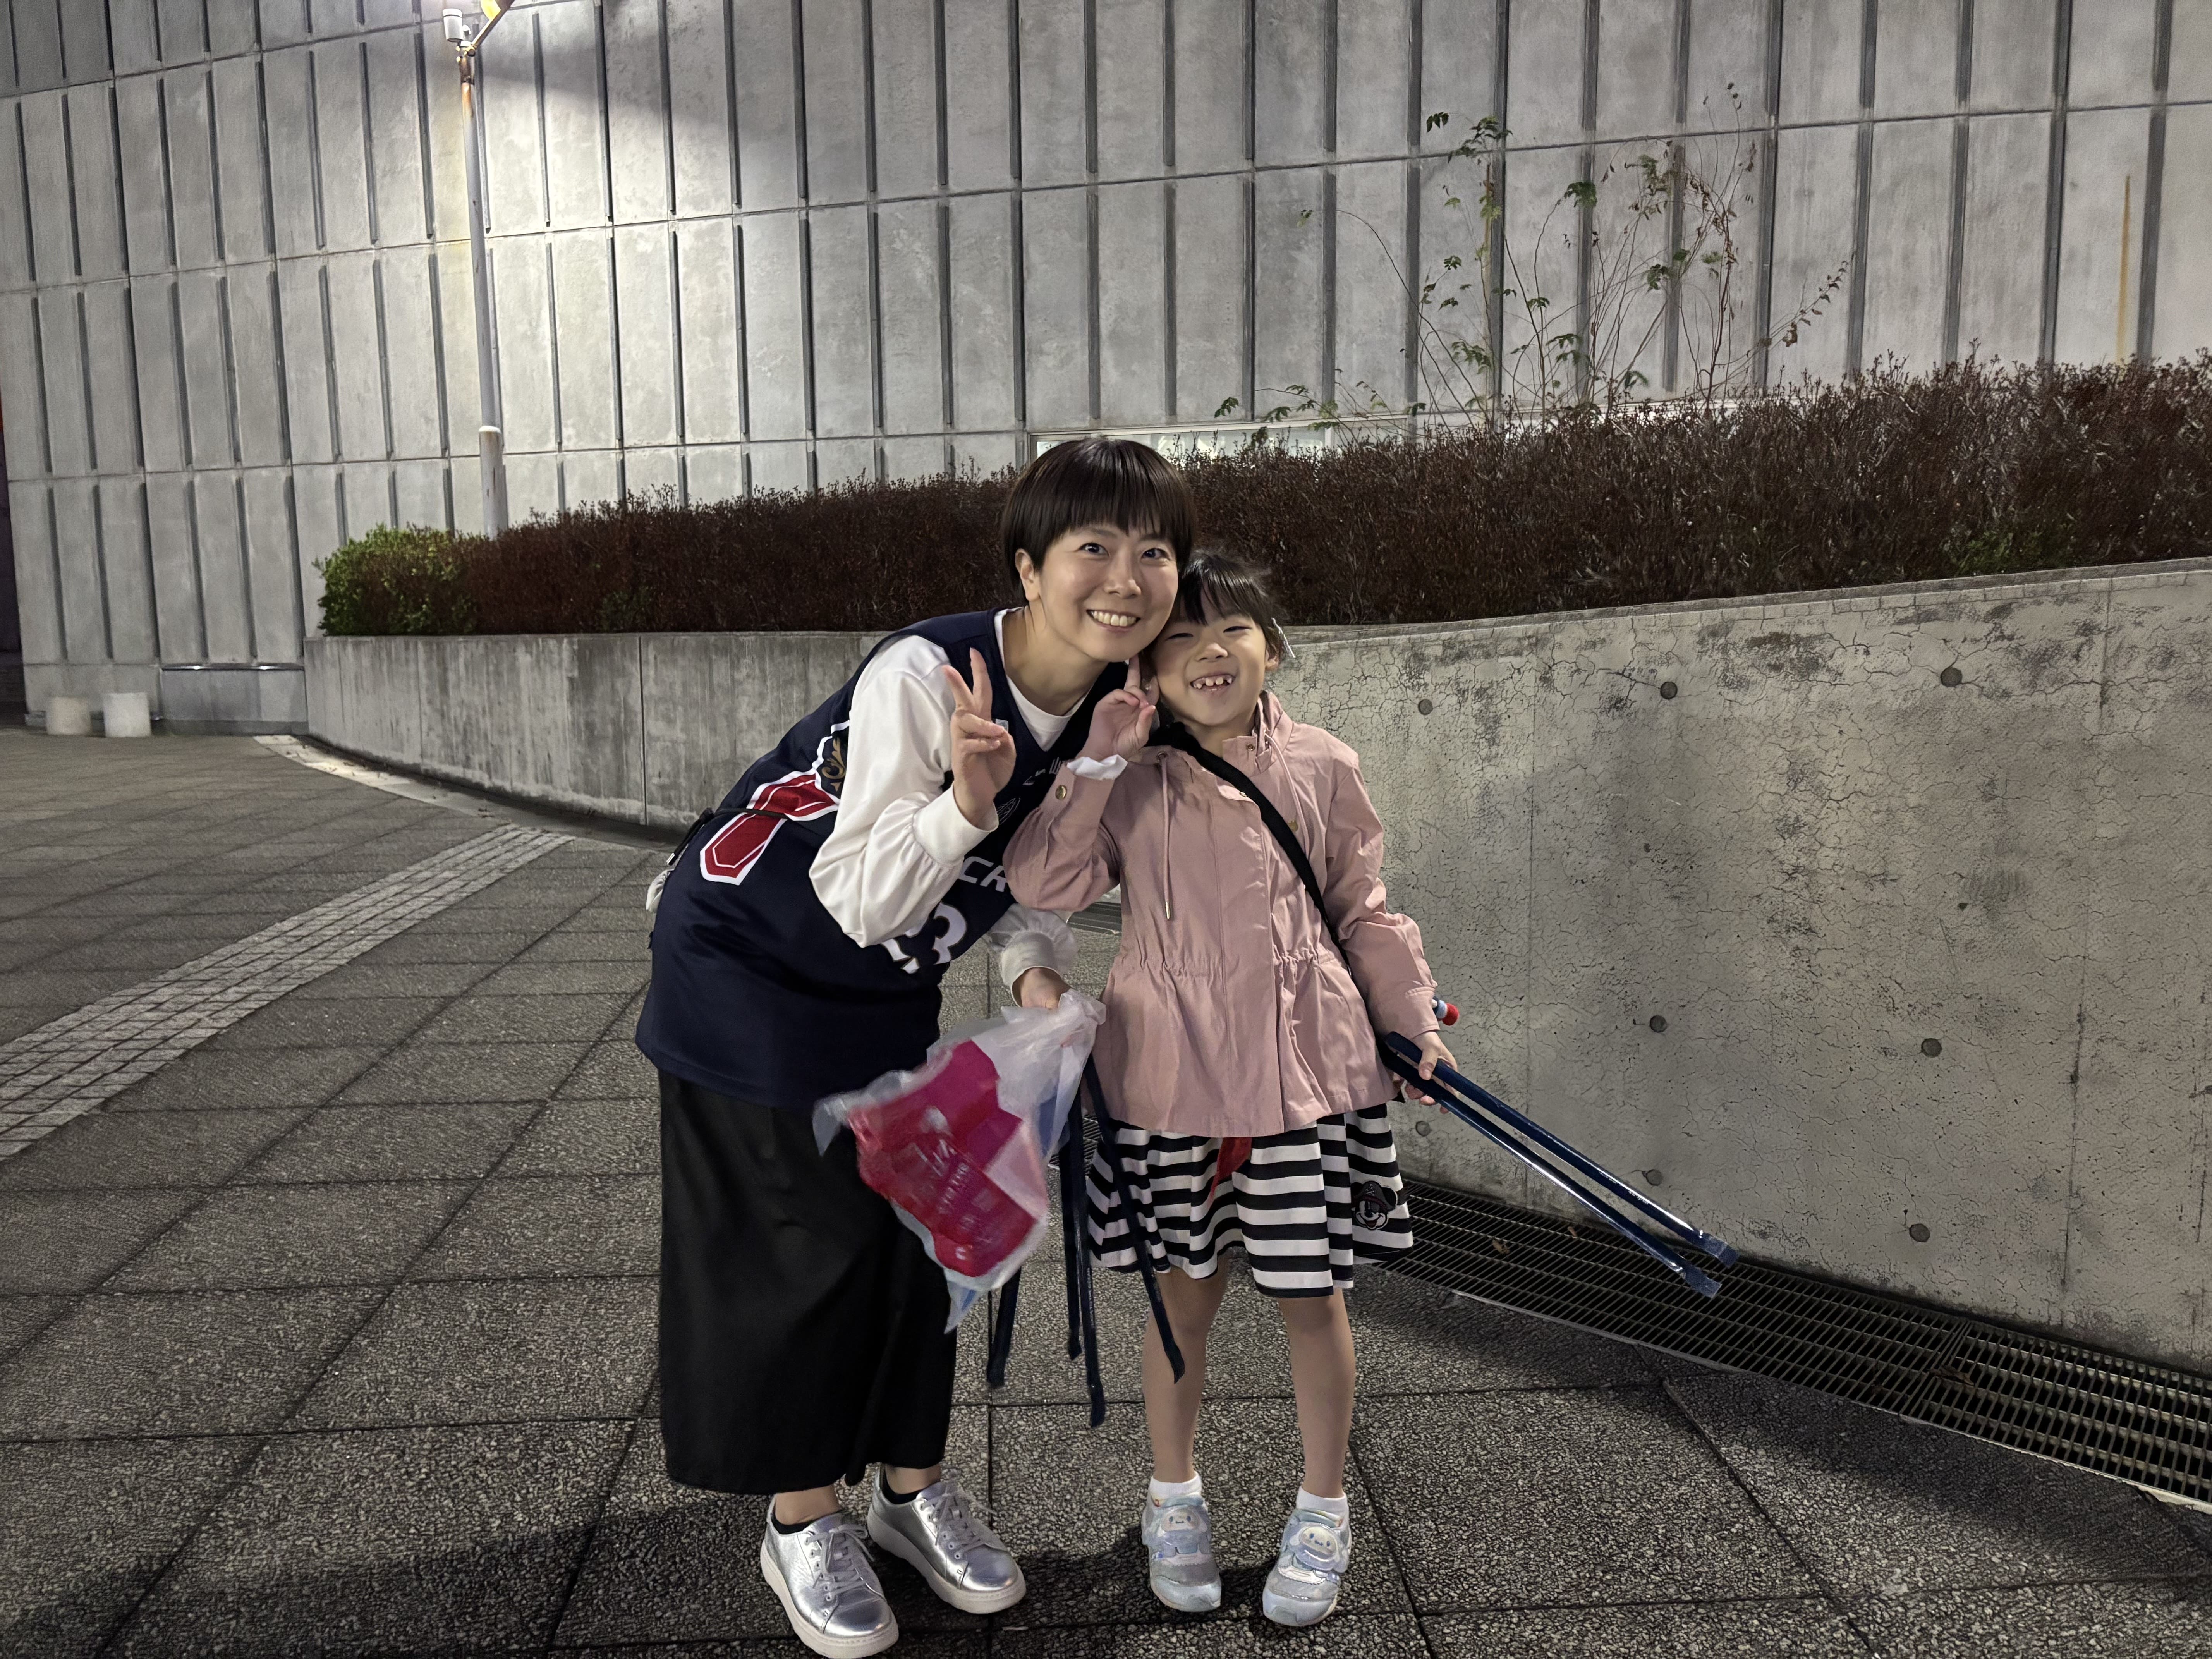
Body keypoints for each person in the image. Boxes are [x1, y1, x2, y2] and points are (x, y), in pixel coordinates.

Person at [634, 438, 1190, 1659]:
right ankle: (800, 1518)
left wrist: (1036, 966)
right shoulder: (928, 677)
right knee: (804, 1243)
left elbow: (1027, 876)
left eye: (1154, 551)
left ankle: (910, 1488)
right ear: (1029, 568)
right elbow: (861, 895)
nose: (1126, 577)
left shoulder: (1109, 704)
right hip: (753, 964)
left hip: (879, 986)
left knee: (928, 1230)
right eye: (1093, 547)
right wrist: (965, 804)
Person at [1002, 548, 1453, 1628]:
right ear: (1144, 666)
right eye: (1180, 637)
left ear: (1273, 647)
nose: (1210, 652)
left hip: (1304, 1076)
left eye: (1233, 629)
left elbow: (1363, 906)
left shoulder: (1322, 762)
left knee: (1312, 1295)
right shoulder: (1128, 774)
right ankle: (1174, 1497)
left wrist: (1413, 1020)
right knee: (1181, 1304)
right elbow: (1043, 880)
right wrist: (1095, 763)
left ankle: (1324, 1508)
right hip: (1168, 1078)